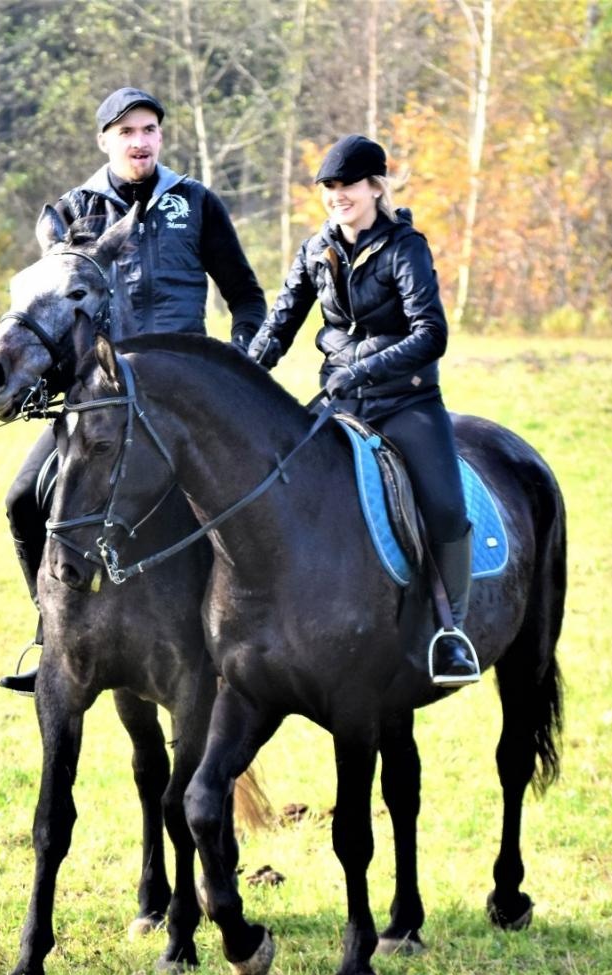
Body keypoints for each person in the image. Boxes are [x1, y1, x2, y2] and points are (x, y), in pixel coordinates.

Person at [0, 86, 266, 693]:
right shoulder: (73, 211)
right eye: (126, 132)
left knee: (245, 508)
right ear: (105, 141)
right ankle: (51, 632)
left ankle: (245, 639)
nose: (140, 142)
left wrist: (240, 360)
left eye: (149, 130)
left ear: (161, 136)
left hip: (183, 401)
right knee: (23, 500)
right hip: (98, 401)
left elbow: (247, 298)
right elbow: (52, 311)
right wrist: (42, 379)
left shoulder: (196, 203)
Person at [245, 134, 479, 686]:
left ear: (376, 187)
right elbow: (280, 325)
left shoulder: (405, 248)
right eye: (329, 186)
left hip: (406, 402)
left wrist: (362, 371)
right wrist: (242, 376)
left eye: (347, 184)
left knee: (445, 508)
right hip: (340, 404)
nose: (337, 195)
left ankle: (451, 632)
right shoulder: (315, 250)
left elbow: (431, 334)